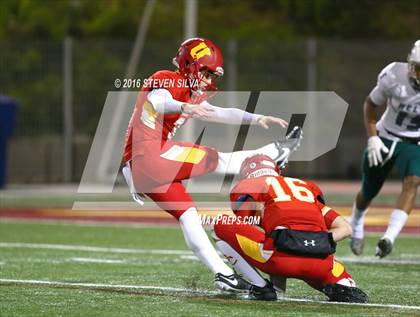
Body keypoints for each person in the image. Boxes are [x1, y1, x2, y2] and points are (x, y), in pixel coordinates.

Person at [122, 37, 302, 293]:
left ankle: (223, 274)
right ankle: (273, 152)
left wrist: (257, 118)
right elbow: (158, 101)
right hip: (150, 156)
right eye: (205, 71)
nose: (208, 79)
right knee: (220, 160)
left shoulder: (188, 93)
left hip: (143, 166)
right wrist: (184, 106)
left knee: (189, 216)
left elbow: (221, 113)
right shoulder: (167, 79)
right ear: (189, 64)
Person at [212, 154, 368, 302]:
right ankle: (343, 283)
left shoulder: (249, 185)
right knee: (331, 272)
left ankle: (260, 287)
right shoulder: (305, 187)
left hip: (281, 258)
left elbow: (243, 224)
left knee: (220, 224)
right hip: (321, 260)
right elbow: (346, 228)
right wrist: (313, 241)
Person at [349, 40, 420, 258]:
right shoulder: (393, 75)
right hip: (385, 137)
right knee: (369, 190)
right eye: (419, 68)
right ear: (411, 64)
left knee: (413, 183)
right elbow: (370, 104)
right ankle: (357, 222)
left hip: (414, 142)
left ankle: (389, 237)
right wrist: (373, 139)